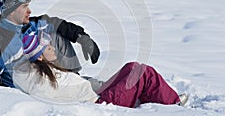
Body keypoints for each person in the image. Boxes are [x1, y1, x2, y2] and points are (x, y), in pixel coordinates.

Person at [13, 30, 188, 108]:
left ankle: (156, 99)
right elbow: (22, 73)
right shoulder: (35, 77)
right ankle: (174, 105)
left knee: (131, 67)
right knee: (142, 73)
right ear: (40, 56)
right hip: (101, 104)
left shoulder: (43, 71)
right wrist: (27, 56)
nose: (54, 49)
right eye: (49, 48)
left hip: (98, 95)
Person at [0, 0, 100, 87]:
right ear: (11, 11)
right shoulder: (1, 42)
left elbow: (55, 23)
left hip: (51, 77)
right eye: (24, 7)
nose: (29, 11)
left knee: (54, 33)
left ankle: (74, 78)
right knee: (97, 88)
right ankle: (78, 85)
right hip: (39, 86)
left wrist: (82, 38)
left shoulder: (25, 25)